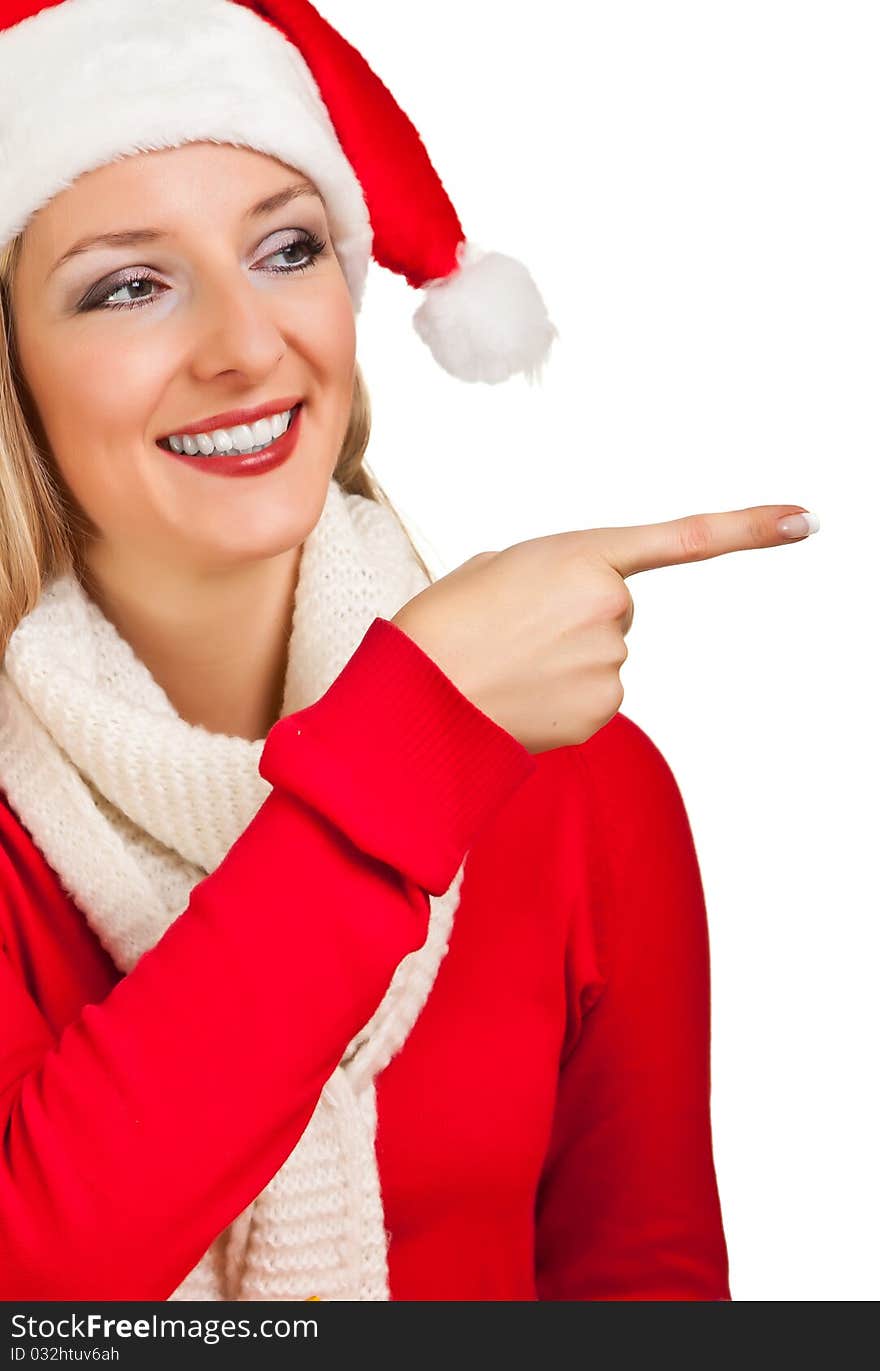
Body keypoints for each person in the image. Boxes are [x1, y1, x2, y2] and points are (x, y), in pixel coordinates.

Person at [0, 0, 816, 1303]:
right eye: (129, 285)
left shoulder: (584, 791)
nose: (247, 345)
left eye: (286, 249)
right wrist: (406, 748)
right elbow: (37, 1272)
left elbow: (646, 1294)